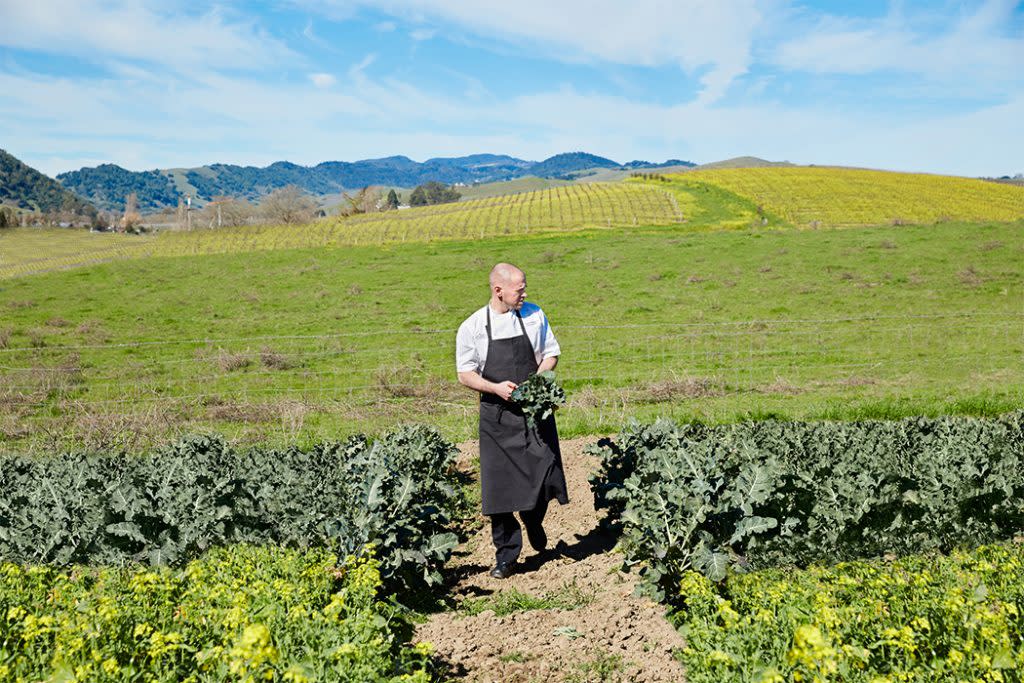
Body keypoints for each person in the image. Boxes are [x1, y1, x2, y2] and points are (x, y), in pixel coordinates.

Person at [455, 262, 569, 579]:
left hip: (534, 411)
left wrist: (538, 381)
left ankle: (533, 518)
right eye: (519, 289)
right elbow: (465, 374)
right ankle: (506, 556)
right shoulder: (473, 327)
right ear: (498, 290)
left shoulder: (534, 315)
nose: (524, 294)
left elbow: (550, 354)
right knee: (500, 491)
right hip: (497, 417)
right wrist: (494, 388)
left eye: (524, 288)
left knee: (546, 471)